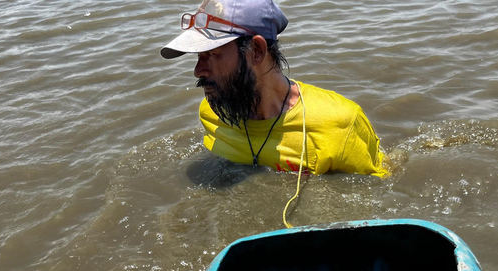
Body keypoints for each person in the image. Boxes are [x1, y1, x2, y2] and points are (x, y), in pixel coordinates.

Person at [161, 0, 388, 178]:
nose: (198, 71)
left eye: (212, 55)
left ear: (257, 50)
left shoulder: (340, 125)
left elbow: (375, 197)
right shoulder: (211, 112)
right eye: (199, 57)